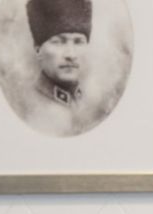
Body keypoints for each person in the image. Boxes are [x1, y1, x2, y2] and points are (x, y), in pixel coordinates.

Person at [21, 0, 98, 137]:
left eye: (78, 42)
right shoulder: (24, 108)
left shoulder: (96, 106)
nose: (71, 55)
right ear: (38, 49)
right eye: (58, 42)